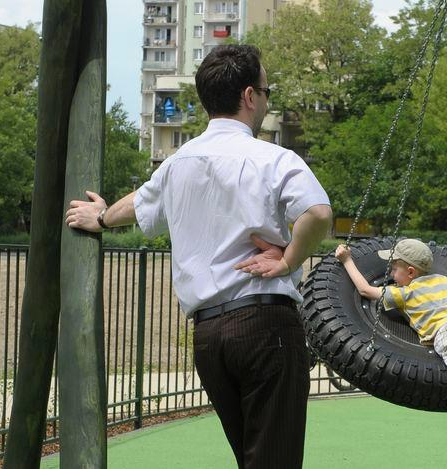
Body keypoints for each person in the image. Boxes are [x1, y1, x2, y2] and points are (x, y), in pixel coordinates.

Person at [65, 44, 332, 468]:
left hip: (209, 336)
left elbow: (139, 203)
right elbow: (317, 213)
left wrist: (99, 217)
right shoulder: (274, 158)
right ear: (249, 96)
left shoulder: (177, 163)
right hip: (265, 322)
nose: (266, 99)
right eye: (266, 91)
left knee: (251, 456)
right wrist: (288, 260)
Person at [335, 239, 447, 443]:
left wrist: (347, 260)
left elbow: (365, 290)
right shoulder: (443, 281)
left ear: (411, 272)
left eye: (395, 268)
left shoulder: (405, 293)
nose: (391, 274)